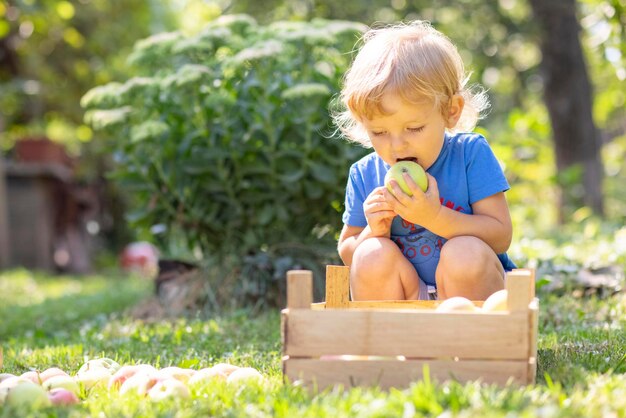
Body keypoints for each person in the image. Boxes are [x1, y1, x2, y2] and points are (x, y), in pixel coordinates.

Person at [333, 21, 516, 302]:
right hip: (410, 297)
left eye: (414, 128)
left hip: (471, 296)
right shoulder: (364, 173)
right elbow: (348, 250)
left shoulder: (469, 154)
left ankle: (471, 341)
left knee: (463, 253)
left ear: (451, 111)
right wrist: (374, 231)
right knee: (370, 255)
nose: (397, 145)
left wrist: (434, 217)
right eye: (379, 132)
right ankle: (397, 341)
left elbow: (500, 235)